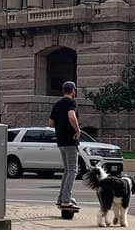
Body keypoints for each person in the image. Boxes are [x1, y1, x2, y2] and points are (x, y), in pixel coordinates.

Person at [49, 81, 81, 210]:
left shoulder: (57, 104)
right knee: (73, 170)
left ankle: (61, 198)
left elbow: (51, 123)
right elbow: (71, 115)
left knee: (67, 170)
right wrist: (77, 130)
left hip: (60, 141)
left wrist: (60, 124)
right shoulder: (71, 102)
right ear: (73, 91)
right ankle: (66, 200)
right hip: (70, 140)